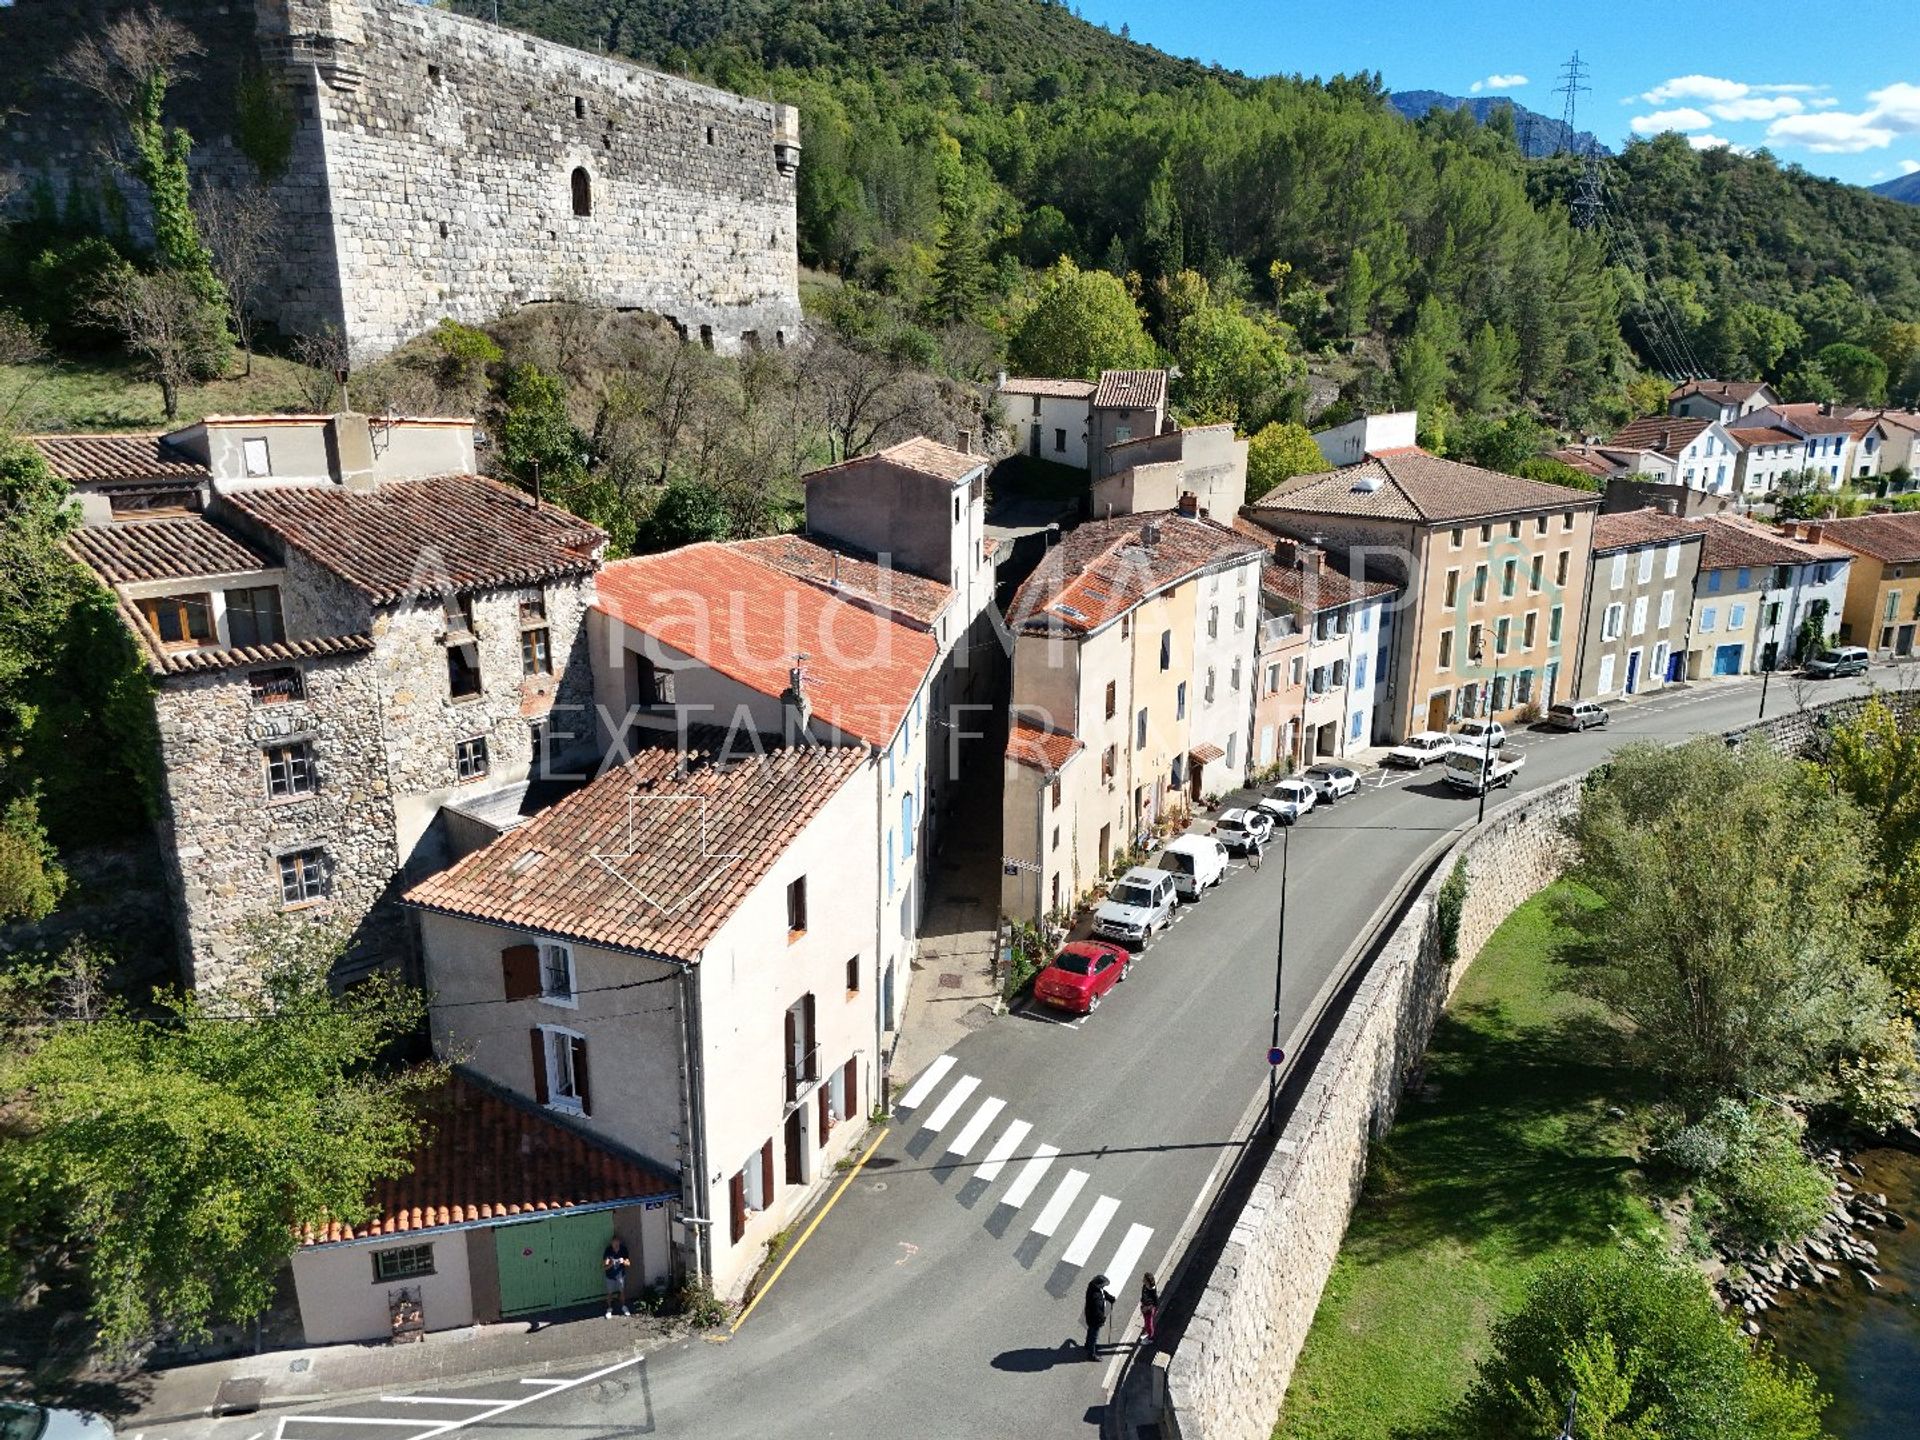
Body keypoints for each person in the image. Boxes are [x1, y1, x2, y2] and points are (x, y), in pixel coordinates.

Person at [1083, 1273, 1114, 1358]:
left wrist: (1109, 1297)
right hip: (1094, 1319)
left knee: (1090, 1332)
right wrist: (1102, 1319)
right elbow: (1097, 1311)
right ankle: (1091, 1354)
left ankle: (1088, 1345)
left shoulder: (1093, 1286)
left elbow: (1102, 1292)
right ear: (1099, 1285)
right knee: (1094, 1335)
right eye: (1103, 1285)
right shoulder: (1095, 1297)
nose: (1104, 1287)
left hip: (1090, 1316)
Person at [603, 1235, 632, 1317]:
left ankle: (623, 1307)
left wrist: (623, 1262)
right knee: (609, 1293)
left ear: (619, 1242)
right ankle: (609, 1309)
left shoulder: (623, 1249)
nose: (616, 1245)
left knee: (622, 1291)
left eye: (617, 1243)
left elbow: (628, 1263)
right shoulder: (608, 1251)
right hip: (610, 1276)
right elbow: (605, 1267)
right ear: (611, 1243)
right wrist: (611, 1264)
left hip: (620, 1276)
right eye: (614, 1244)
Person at [1139, 1272, 1159, 1343]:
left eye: (1144, 1279)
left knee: (1149, 1324)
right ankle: (1147, 1332)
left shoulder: (1152, 1291)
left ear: (1148, 1281)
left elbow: (1155, 1303)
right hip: (1144, 1307)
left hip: (1149, 1310)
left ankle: (1150, 1338)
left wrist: (1147, 1308)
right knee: (1146, 1322)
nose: (1143, 1279)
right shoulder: (1145, 1286)